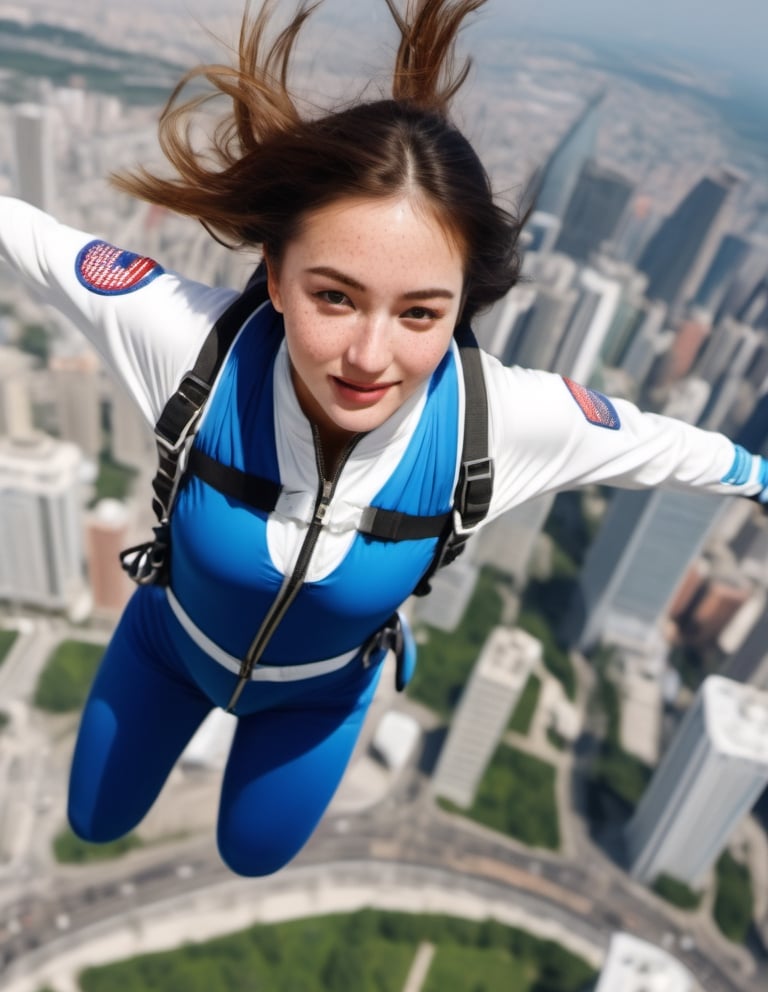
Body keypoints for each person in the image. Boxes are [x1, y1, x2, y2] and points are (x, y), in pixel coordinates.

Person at [0, 0, 765, 877]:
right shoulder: (188, 348)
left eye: (420, 313)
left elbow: (676, 448)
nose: (369, 356)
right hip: (168, 648)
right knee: (93, 823)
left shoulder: (497, 425)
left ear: (462, 308)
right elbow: (27, 236)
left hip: (318, 697)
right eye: (333, 296)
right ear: (274, 276)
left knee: (254, 856)